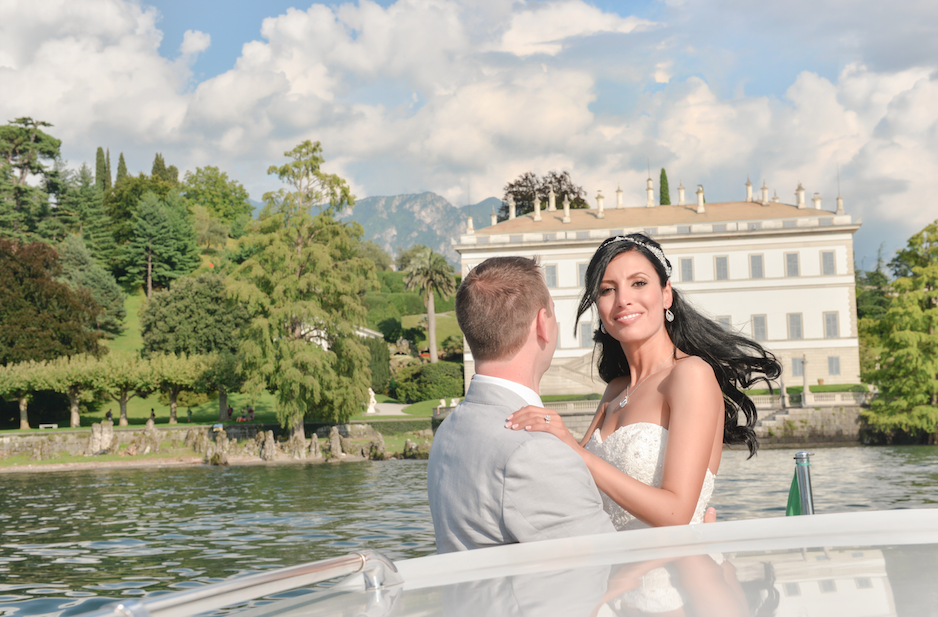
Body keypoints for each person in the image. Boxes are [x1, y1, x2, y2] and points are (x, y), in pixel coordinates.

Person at [508, 234, 780, 530]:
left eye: (638, 283)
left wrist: (576, 450)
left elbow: (676, 514)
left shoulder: (690, 374)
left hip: (672, 570)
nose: (623, 299)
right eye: (607, 289)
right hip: (614, 569)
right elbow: (576, 486)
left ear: (666, 294)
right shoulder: (615, 390)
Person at [428, 256, 616, 553]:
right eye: (553, 313)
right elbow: (607, 564)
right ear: (543, 324)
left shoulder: (448, 429)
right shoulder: (534, 449)